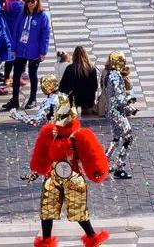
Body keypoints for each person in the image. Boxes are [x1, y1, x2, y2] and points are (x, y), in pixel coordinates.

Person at [29, 104, 112, 247]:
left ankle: (92, 237)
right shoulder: (50, 134)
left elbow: (91, 156)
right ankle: (47, 241)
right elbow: (41, 156)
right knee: (47, 211)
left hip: (73, 179)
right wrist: (38, 169)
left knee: (78, 211)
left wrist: (97, 170)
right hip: (53, 179)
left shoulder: (79, 136)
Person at [6, 0, 53, 110]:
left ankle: (33, 99)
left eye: (33, 1)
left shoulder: (42, 16)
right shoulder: (22, 14)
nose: (30, 4)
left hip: (34, 50)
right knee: (16, 75)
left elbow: (45, 35)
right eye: (28, 1)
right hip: (21, 49)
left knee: (32, 75)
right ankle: (15, 99)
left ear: (37, 2)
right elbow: (16, 31)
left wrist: (43, 51)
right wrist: (13, 48)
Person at [100, 52, 143, 179]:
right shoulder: (116, 76)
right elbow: (120, 98)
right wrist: (131, 99)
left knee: (117, 138)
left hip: (112, 110)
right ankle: (120, 167)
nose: (124, 64)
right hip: (117, 111)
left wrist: (131, 108)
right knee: (128, 138)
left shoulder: (109, 74)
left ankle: (104, 163)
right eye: (122, 62)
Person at [58, 46, 100, 117]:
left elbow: (62, 87)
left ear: (74, 56)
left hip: (74, 103)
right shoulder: (92, 69)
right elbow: (95, 87)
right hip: (88, 103)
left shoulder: (70, 69)